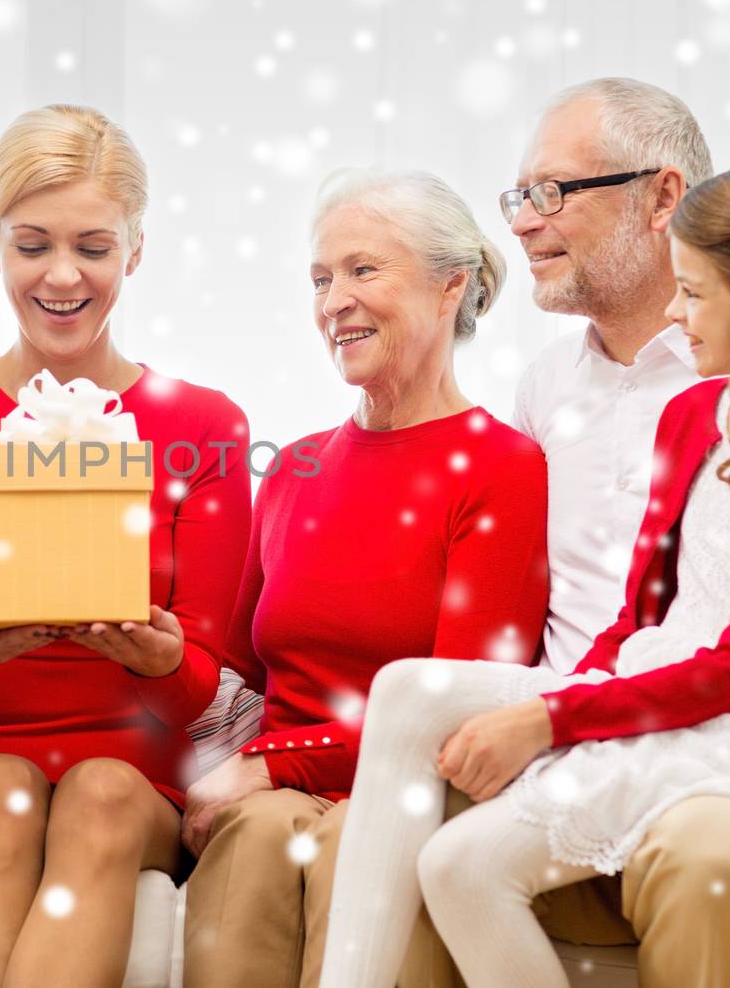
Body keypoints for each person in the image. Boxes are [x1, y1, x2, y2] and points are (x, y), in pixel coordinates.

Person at [319, 152, 730, 988]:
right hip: (653, 675)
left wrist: (557, 721)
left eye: (695, 293)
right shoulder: (694, 412)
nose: (674, 308)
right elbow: (637, 614)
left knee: (467, 863)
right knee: (409, 691)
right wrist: (571, 705)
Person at [0, 103, 251, 988]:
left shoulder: (205, 427)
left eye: (94, 245)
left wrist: (159, 660)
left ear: (136, 250)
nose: (64, 275)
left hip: (133, 769)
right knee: (4, 787)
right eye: (33, 244)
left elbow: (198, 683)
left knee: (105, 790)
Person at [178, 169, 548, 988]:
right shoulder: (295, 469)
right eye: (320, 278)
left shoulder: (501, 469)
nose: (333, 300)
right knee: (262, 836)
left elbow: (457, 715)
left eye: (363, 270)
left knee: (350, 839)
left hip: (404, 785)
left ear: (452, 284)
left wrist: (277, 765)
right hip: (276, 790)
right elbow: (239, 668)